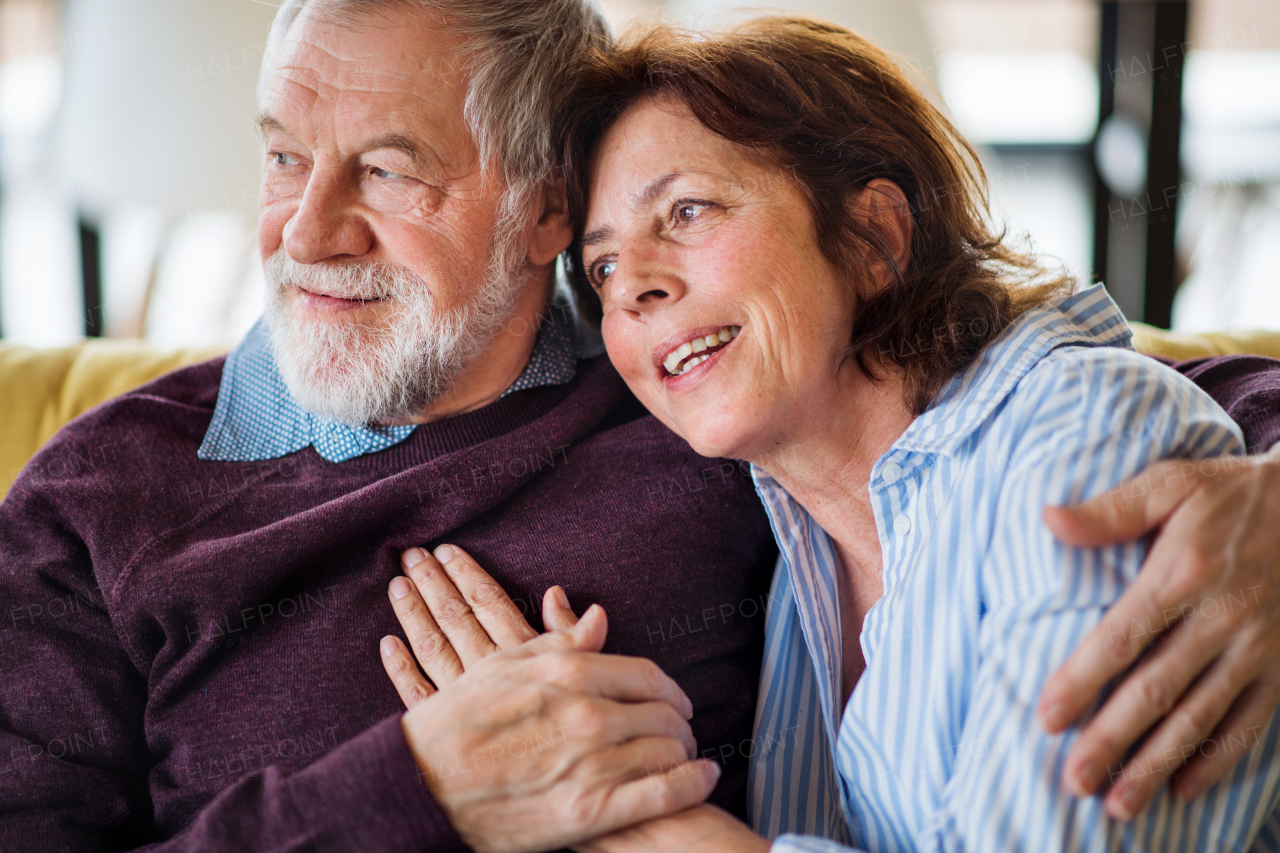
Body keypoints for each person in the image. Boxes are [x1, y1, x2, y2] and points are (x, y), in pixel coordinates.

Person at [377, 16, 1280, 851]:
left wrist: (614, 810)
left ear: (872, 237)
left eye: (686, 212)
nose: (632, 286)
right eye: (602, 264)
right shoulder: (796, 538)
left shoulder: (1087, 443)